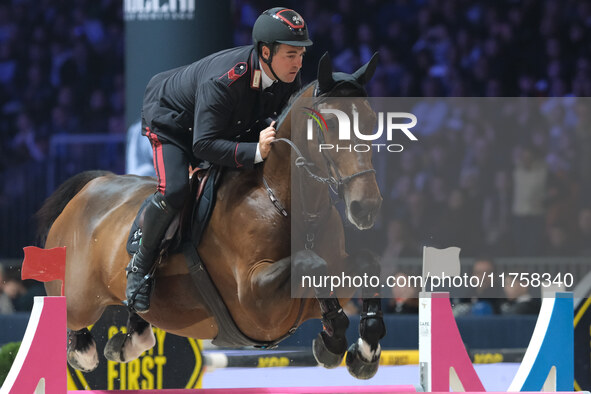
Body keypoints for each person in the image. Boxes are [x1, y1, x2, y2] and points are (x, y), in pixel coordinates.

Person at [125, 8, 313, 313]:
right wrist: (255, 151)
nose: (298, 63)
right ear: (266, 52)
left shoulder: (288, 76)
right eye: (291, 54)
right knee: (174, 190)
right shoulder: (225, 80)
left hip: (226, 123)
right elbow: (202, 145)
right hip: (172, 122)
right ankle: (139, 268)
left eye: (301, 54)